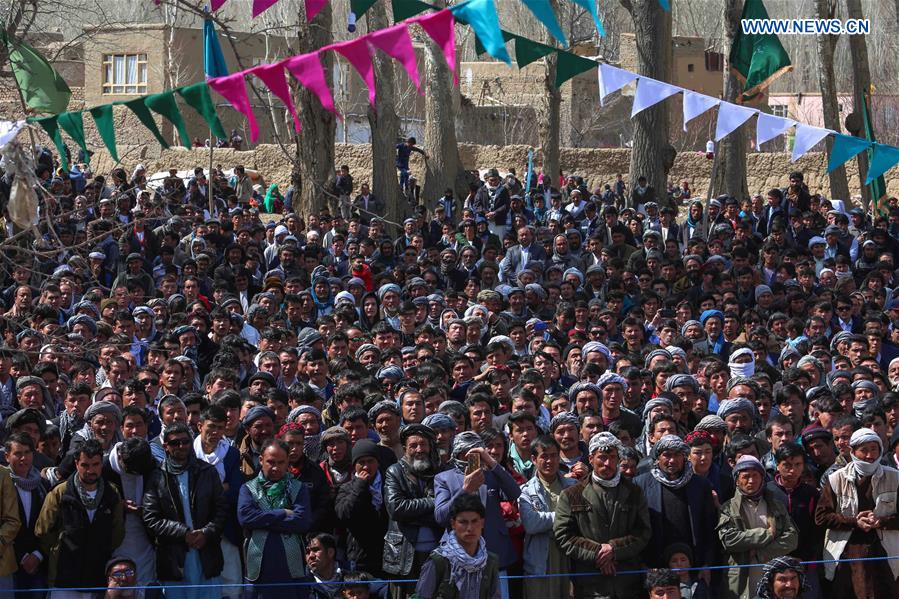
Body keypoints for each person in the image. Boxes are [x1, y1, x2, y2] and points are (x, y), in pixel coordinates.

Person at [554, 432, 651, 598]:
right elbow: (564, 535)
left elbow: (643, 532)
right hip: (590, 585)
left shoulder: (634, 492)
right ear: (591, 459)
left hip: (628, 583)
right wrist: (598, 552)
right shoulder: (571, 494)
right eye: (602, 457)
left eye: (612, 457)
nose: (607, 463)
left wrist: (614, 549)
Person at [142, 423, 227, 599]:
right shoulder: (157, 476)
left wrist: (206, 532)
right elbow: (151, 518)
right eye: (175, 443)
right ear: (165, 447)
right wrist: (184, 533)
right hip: (174, 558)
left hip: (206, 552)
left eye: (185, 441)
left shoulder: (207, 471)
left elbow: (221, 510)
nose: (181, 446)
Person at [434, 432, 521, 596]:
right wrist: (465, 490)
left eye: (476, 452)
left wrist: (491, 463)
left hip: (494, 555)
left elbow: (515, 493)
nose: (471, 457)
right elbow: (441, 516)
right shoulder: (444, 478)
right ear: (458, 453)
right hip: (459, 559)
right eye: (466, 453)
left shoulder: (491, 474)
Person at [815, 427, 899, 598]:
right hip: (848, 552)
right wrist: (854, 522)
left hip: (886, 552)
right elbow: (821, 517)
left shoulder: (895, 477)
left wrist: (882, 521)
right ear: (852, 451)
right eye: (864, 450)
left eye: (874, 449)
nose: (870, 456)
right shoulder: (836, 479)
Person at [35, 439, 124, 595]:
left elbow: (117, 533)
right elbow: (44, 531)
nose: (91, 470)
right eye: (85, 465)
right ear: (76, 464)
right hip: (64, 578)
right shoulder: (60, 493)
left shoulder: (112, 493)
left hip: (98, 576)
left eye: (95, 465)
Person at [238, 438, 312, 599]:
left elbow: (302, 522)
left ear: (287, 463)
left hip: (290, 569)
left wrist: (262, 521)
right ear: (261, 460)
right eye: (271, 462)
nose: (275, 467)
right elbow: (246, 518)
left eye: (281, 462)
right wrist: (282, 513)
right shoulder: (248, 488)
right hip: (258, 566)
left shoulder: (298, 488)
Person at [717, 455, 799, 599]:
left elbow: (792, 538)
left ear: (762, 478)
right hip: (740, 581)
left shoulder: (776, 505)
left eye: (755, 475)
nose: (751, 481)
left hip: (773, 577)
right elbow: (729, 540)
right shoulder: (728, 508)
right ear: (737, 480)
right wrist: (767, 534)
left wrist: (761, 553)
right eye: (746, 476)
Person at [634, 435, 717, 575]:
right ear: (658, 458)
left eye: (677, 455)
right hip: (655, 566)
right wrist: (643, 564)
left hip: (693, 566)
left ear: (684, 457)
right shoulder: (640, 484)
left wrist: (706, 564)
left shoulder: (700, 485)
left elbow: (709, 528)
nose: (672, 460)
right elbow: (636, 527)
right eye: (666, 455)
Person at [383, 423, 444, 599]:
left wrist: (413, 514)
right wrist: (431, 503)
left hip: (436, 552)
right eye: (413, 445)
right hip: (403, 554)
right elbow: (396, 508)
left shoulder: (439, 472)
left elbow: (444, 510)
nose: (419, 449)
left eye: (423, 444)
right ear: (404, 449)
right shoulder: (394, 471)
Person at [518, 435, 576, 599]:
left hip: (568, 555)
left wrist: (547, 519)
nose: (549, 461)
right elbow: (531, 523)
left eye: (553, 456)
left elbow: (580, 519)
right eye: (544, 456)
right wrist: (564, 516)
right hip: (540, 558)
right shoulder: (526, 491)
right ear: (534, 459)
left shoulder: (573, 487)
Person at [415, 493, 500, 599]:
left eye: (474, 521)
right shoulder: (439, 562)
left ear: (482, 523)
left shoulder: (490, 562)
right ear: (453, 524)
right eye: (463, 522)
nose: (470, 528)